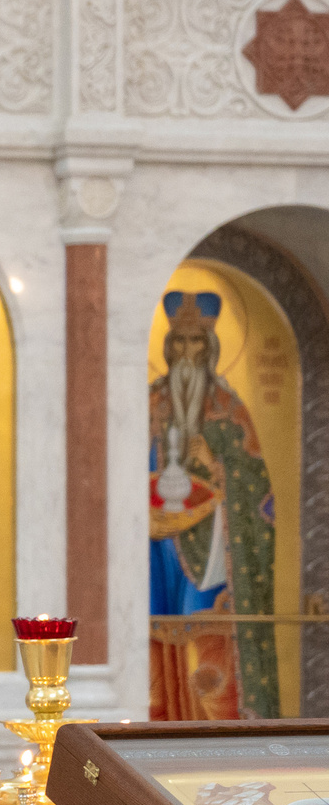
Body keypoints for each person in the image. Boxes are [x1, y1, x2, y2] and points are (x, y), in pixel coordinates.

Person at [148, 285, 280, 717]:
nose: (188, 351)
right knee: (157, 643)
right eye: (180, 341)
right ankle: (161, 724)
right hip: (155, 545)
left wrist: (220, 465)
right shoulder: (150, 403)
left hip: (215, 552)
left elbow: (260, 489)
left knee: (207, 650)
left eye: (197, 342)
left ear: (211, 348)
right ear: (169, 347)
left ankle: (213, 731)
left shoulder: (229, 408)